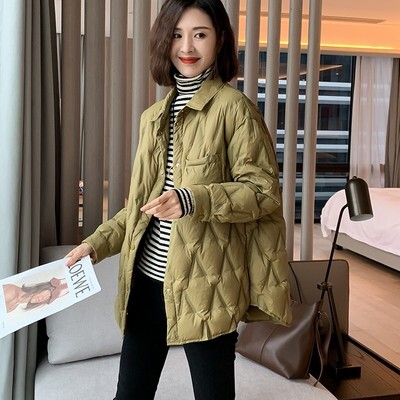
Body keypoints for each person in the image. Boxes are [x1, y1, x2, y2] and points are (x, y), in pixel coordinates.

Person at [65, 0, 291, 398]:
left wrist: (193, 199)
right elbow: (140, 208)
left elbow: (262, 193)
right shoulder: (153, 117)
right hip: (146, 283)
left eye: (200, 34)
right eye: (176, 34)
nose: (187, 46)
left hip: (207, 286)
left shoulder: (235, 110)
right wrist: (95, 244)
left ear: (219, 40)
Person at [3, 277, 69, 313]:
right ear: (42, 288)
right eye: (47, 293)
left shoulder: (14, 307)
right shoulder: (12, 293)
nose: (43, 298)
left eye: (49, 298)